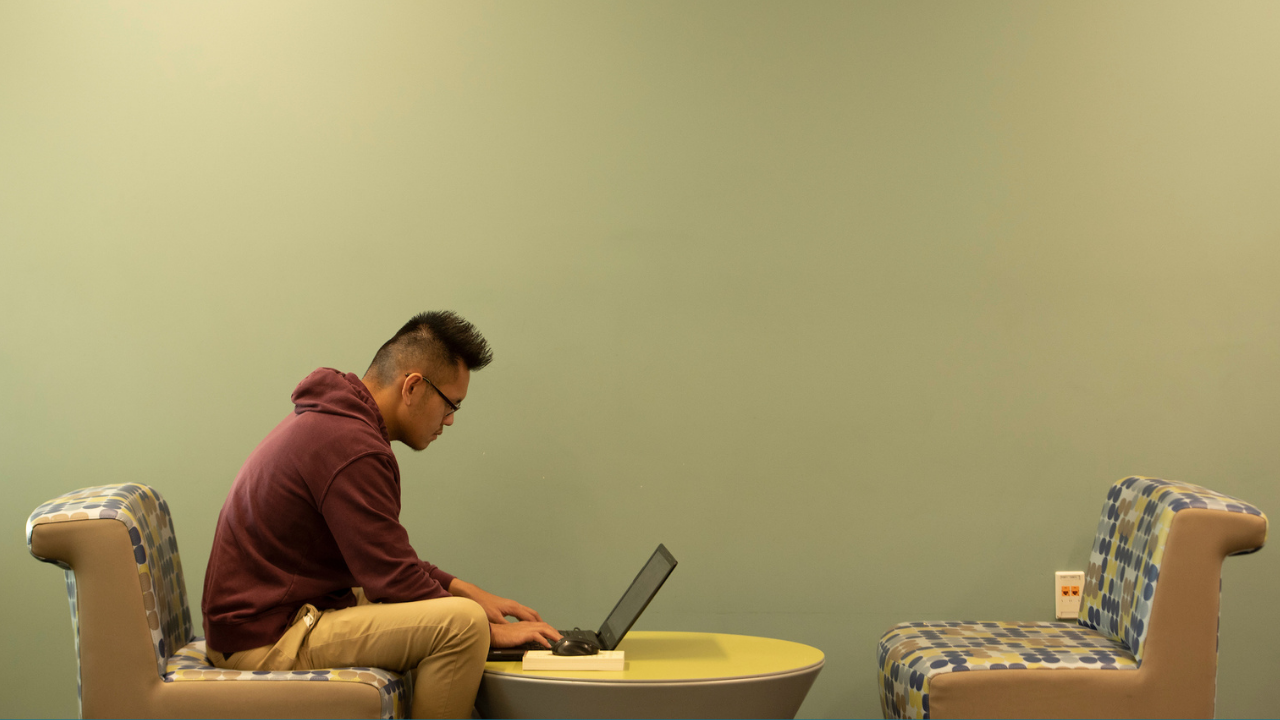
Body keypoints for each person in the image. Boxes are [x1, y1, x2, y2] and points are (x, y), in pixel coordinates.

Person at [202, 311, 561, 719]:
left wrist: (467, 590)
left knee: (459, 610)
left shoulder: (337, 423)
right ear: (412, 386)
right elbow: (391, 578)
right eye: (450, 404)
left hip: (264, 621)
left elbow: (385, 558)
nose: (450, 420)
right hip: (264, 640)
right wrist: (490, 629)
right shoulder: (352, 446)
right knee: (462, 626)